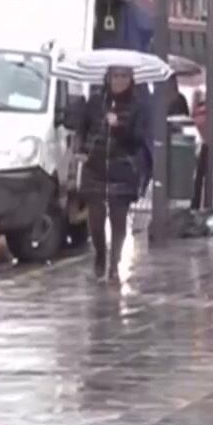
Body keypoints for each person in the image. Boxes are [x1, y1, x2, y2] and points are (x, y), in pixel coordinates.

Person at [72, 66, 145, 282]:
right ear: (108, 78)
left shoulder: (137, 106)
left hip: (121, 170)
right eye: (116, 76)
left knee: (118, 221)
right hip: (94, 169)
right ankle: (100, 257)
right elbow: (81, 129)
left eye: (124, 76)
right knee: (95, 221)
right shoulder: (95, 102)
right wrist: (81, 152)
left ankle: (115, 264)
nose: (120, 81)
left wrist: (120, 126)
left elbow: (138, 140)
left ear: (131, 80)